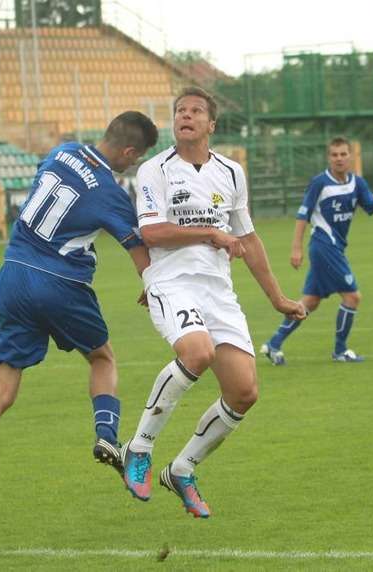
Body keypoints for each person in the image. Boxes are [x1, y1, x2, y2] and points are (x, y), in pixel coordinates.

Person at [0, 111, 159, 525]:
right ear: (129, 151)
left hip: (12, 275)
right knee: (102, 358)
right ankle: (107, 437)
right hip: (61, 283)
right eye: (136, 158)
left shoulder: (62, 152)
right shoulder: (110, 192)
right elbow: (138, 251)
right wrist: (152, 285)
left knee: (1, 388)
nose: (133, 164)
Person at [121, 86, 306, 518]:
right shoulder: (154, 170)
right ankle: (139, 446)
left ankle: (181, 469)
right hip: (172, 280)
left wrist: (277, 298)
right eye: (180, 110)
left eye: (195, 110)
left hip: (217, 289)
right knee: (197, 352)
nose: (185, 116)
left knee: (244, 391)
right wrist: (210, 233)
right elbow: (151, 232)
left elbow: (248, 239)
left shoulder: (231, 173)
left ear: (212, 124)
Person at [261, 137, 373, 365]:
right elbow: (303, 215)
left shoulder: (357, 183)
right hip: (324, 246)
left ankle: (273, 344)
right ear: (328, 157)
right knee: (352, 297)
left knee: (310, 302)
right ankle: (340, 351)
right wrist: (296, 248)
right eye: (334, 155)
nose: (339, 159)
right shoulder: (320, 183)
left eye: (343, 154)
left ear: (350, 156)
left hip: (333, 248)